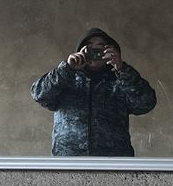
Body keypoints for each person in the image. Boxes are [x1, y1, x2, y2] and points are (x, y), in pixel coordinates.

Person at [30, 28, 157, 157]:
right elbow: (39, 94)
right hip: (69, 161)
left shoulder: (121, 82)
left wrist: (122, 68)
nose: (95, 52)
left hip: (114, 162)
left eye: (101, 48)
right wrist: (67, 68)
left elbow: (146, 103)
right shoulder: (66, 79)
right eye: (89, 47)